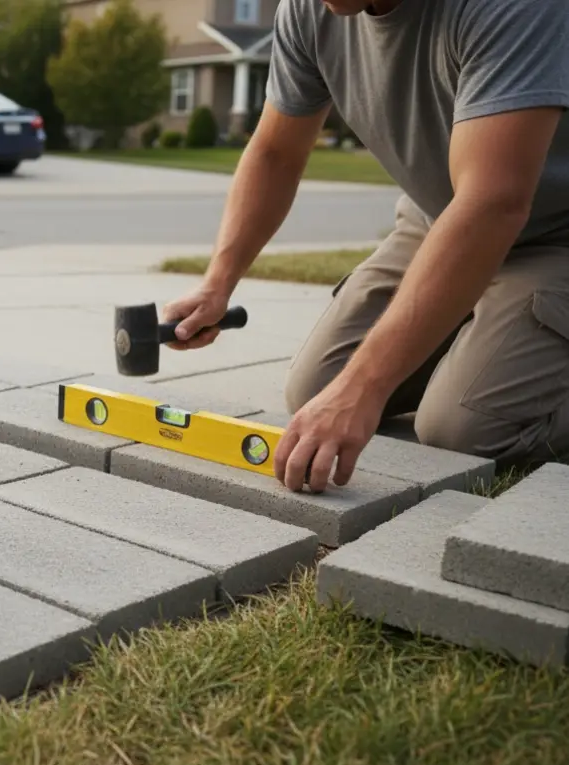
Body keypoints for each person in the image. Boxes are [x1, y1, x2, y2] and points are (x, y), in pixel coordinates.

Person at [163, 0, 569, 494]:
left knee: (462, 430)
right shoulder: (308, 12)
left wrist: (364, 389)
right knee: (316, 388)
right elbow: (275, 153)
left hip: (554, 234)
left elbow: (493, 203)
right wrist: (217, 284)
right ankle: (490, 334)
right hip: (439, 216)